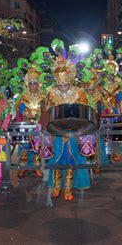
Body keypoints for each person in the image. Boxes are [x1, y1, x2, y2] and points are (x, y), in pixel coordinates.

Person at [45, 56, 90, 201]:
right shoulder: (51, 93)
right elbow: (47, 112)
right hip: (57, 132)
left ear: (70, 82)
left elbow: (85, 112)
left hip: (73, 132)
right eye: (60, 85)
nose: (63, 88)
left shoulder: (79, 92)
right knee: (57, 158)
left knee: (71, 158)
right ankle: (57, 186)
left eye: (65, 85)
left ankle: (68, 188)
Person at [14, 66, 47, 178]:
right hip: (26, 125)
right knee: (25, 148)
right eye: (31, 83)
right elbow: (19, 109)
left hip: (38, 125)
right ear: (28, 84)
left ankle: (36, 168)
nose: (33, 85)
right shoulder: (23, 96)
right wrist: (25, 115)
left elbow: (45, 110)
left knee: (36, 148)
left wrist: (40, 119)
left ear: (39, 83)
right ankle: (23, 167)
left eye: (35, 83)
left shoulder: (43, 95)